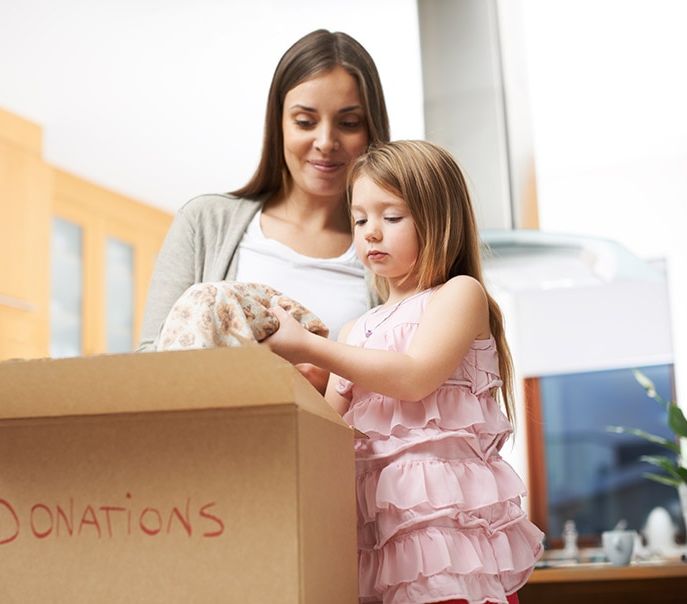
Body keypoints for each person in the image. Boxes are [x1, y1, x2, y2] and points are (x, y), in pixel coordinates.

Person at [264, 140, 544, 604]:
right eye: (359, 219)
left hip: (449, 548)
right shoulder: (355, 331)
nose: (371, 232)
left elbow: (414, 376)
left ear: (438, 219)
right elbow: (325, 433)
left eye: (391, 217)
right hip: (379, 546)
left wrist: (312, 346)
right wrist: (279, 367)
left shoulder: (459, 295)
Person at [137, 29, 389, 391]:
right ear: (279, 124)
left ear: (372, 130)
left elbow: (408, 390)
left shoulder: (391, 245)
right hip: (221, 445)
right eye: (305, 121)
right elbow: (151, 357)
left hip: (336, 448)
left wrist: (331, 382)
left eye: (349, 123)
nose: (325, 142)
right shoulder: (204, 222)